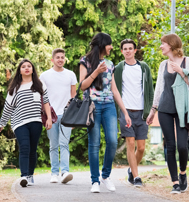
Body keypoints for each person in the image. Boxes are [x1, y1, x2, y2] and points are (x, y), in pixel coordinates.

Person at [146, 33, 189, 194]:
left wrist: (181, 72)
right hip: (165, 109)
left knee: (182, 146)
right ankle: (175, 182)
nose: (161, 46)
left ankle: (183, 173)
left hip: (183, 110)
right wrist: (152, 111)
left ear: (171, 45)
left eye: (163, 43)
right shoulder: (163, 64)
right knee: (170, 146)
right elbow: (159, 89)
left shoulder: (187, 62)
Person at [79, 32, 131, 193]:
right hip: (92, 106)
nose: (112, 47)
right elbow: (82, 86)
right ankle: (95, 181)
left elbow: (114, 90)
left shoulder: (110, 63)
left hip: (109, 105)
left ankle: (105, 176)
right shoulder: (85, 61)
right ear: (102, 45)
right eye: (109, 44)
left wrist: (125, 112)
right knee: (94, 144)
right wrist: (95, 71)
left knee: (113, 141)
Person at [0, 59, 52, 187]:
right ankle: (24, 176)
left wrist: (49, 118)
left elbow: (46, 102)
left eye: (29, 66)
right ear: (19, 71)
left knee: (32, 149)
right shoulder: (15, 87)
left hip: (36, 121)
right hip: (19, 122)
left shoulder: (39, 84)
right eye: (23, 67)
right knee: (24, 147)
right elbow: (8, 107)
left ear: (32, 69)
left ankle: (30, 175)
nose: (26, 68)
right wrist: (1, 123)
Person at [114, 39, 154, 187]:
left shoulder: (143, 68)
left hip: (141, 113)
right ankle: (137, 178)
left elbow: (150, 90)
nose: (128, 51)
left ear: (135, 51)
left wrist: (150, 111)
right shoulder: (119, 68)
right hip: (126, 112)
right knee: (130, 143)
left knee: (141, 147)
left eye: (130, 48)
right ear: (122, 51)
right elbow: (115, 90)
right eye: (125, 49)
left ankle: (132, 170)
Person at [40, 48, 77, 184]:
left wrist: (74, 117)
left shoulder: (71, 74)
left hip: (67, 115)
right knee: (53, 145)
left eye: (62, 57)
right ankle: (54, 173)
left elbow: (73, 96)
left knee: (64, 144)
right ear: (52, 60)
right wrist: (45, 116)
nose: (60, 59)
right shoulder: (44, 76)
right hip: (51, 115)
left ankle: (65, 172)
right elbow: (42, 97)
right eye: (58, 57)